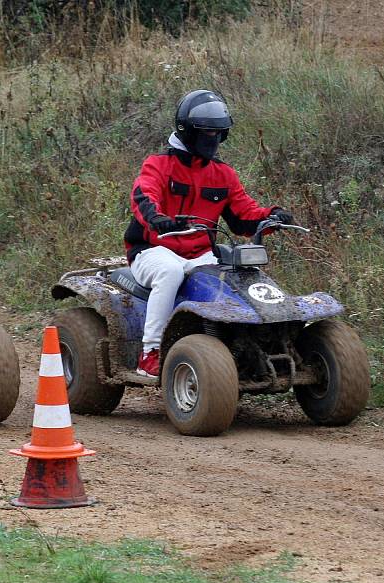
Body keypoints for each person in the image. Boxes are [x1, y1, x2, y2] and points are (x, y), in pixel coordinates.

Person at [123, 89, 293, 378]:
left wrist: (271, 216)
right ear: (186, 131)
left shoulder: (223, 174)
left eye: (218, 134)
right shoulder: (159, 165)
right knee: (171, 273)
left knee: (241, 276)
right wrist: (158, 219)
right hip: (153, 250)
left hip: (201, 254)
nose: (212, 140)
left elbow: (243, 215)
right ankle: (150, 353)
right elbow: (143, 194)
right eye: (206, 134)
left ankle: (248, 347)